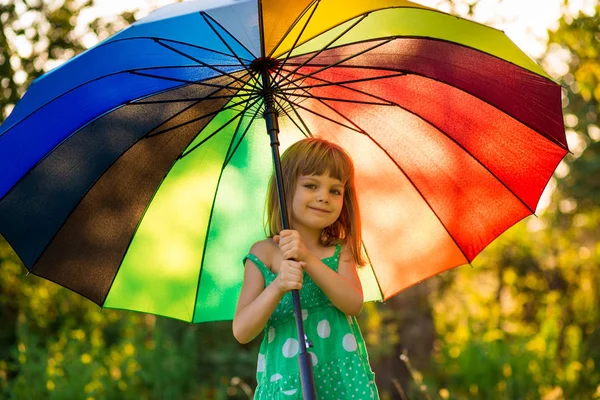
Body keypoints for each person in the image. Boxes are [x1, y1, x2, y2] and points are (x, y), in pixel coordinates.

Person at [233, 138, 379, 399]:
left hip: (341, 378)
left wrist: (308, 259)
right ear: (286, 189)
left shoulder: (339, 250)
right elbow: (242, 330)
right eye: (311, 185)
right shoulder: (263, 254)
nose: (324, 197)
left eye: (335, 191)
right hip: (287, 379)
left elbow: (353, 303)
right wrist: (278, 286)